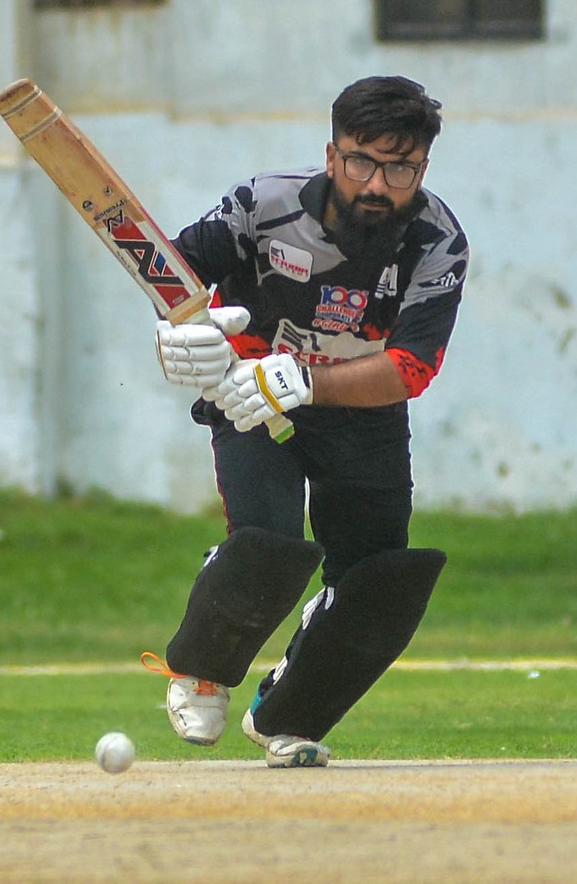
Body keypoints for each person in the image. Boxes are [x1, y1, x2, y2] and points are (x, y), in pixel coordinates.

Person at [145, 75, 467, 767]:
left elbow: (412, 367)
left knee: (379, 580)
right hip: (250, 397)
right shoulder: (262, 206)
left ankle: (290, 714)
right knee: (267, 542)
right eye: (360, 161)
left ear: (423, 168)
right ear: (331, 153)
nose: (376, 184)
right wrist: (183, 334)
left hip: (362, 414)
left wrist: (306, 381)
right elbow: (172, 272)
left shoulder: (437, 241)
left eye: (400, 168)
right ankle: (202, 670)